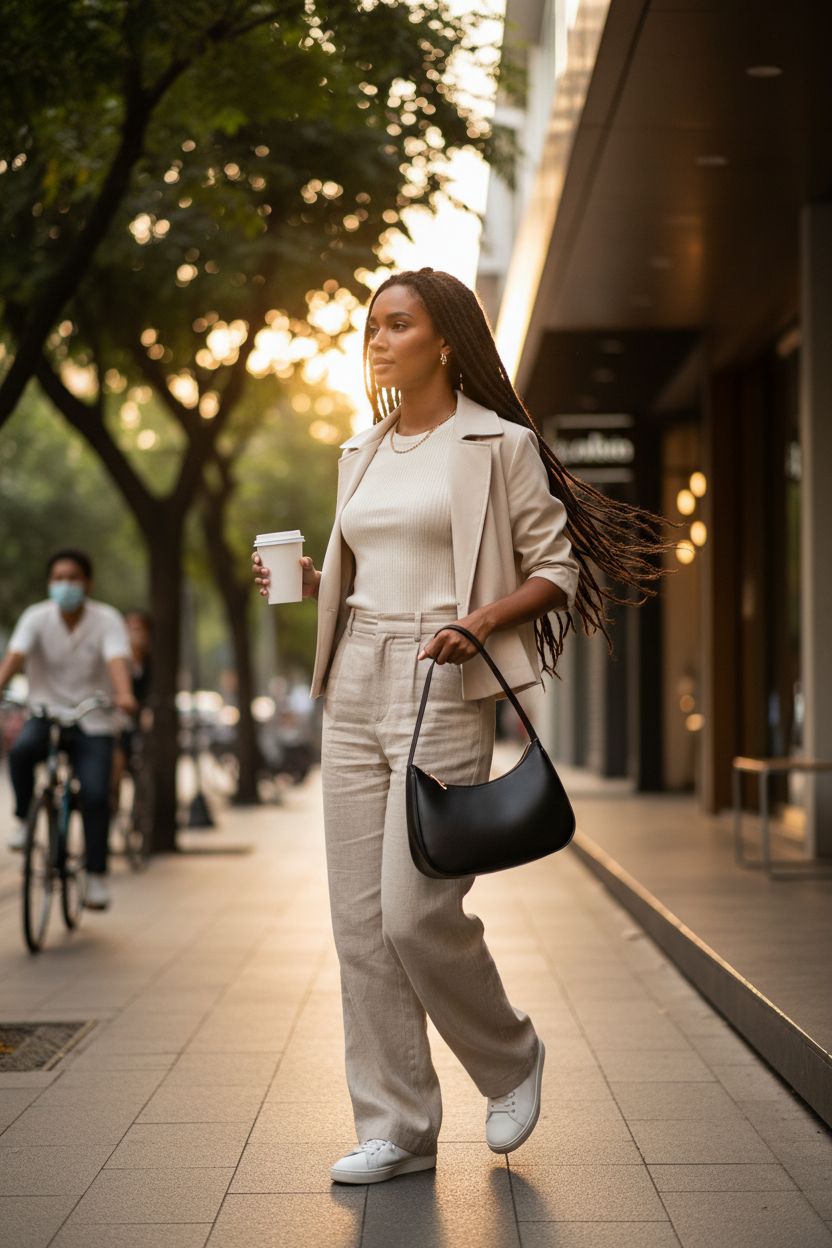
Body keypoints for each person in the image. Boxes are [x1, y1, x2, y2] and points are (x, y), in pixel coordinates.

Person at [252, 267, 667, 1185]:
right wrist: (318, 590)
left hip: (443, 677)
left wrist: (478, 621)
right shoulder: (359, 454)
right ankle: (397, 1126)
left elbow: (555, 569)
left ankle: (510, 1056)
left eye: (397, 324)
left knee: (415, 910)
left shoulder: (497, 443)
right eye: (371, 326)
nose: (378, 339)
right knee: (357, 924)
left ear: (444, 341)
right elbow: (366, 572)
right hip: (355, 674)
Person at [0, 549, 137, 910]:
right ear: (49, 583)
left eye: (72, 578)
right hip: (46, 711)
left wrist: (124, 693)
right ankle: (22, 820)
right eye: (58, 578)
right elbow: (15, 656)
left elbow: (116, 659)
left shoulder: (106, 619)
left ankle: (95, 877)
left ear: (87, 583)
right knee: (21, 752)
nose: (65, 585)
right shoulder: (36, 617)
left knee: (94, 794)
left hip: (94, 717)